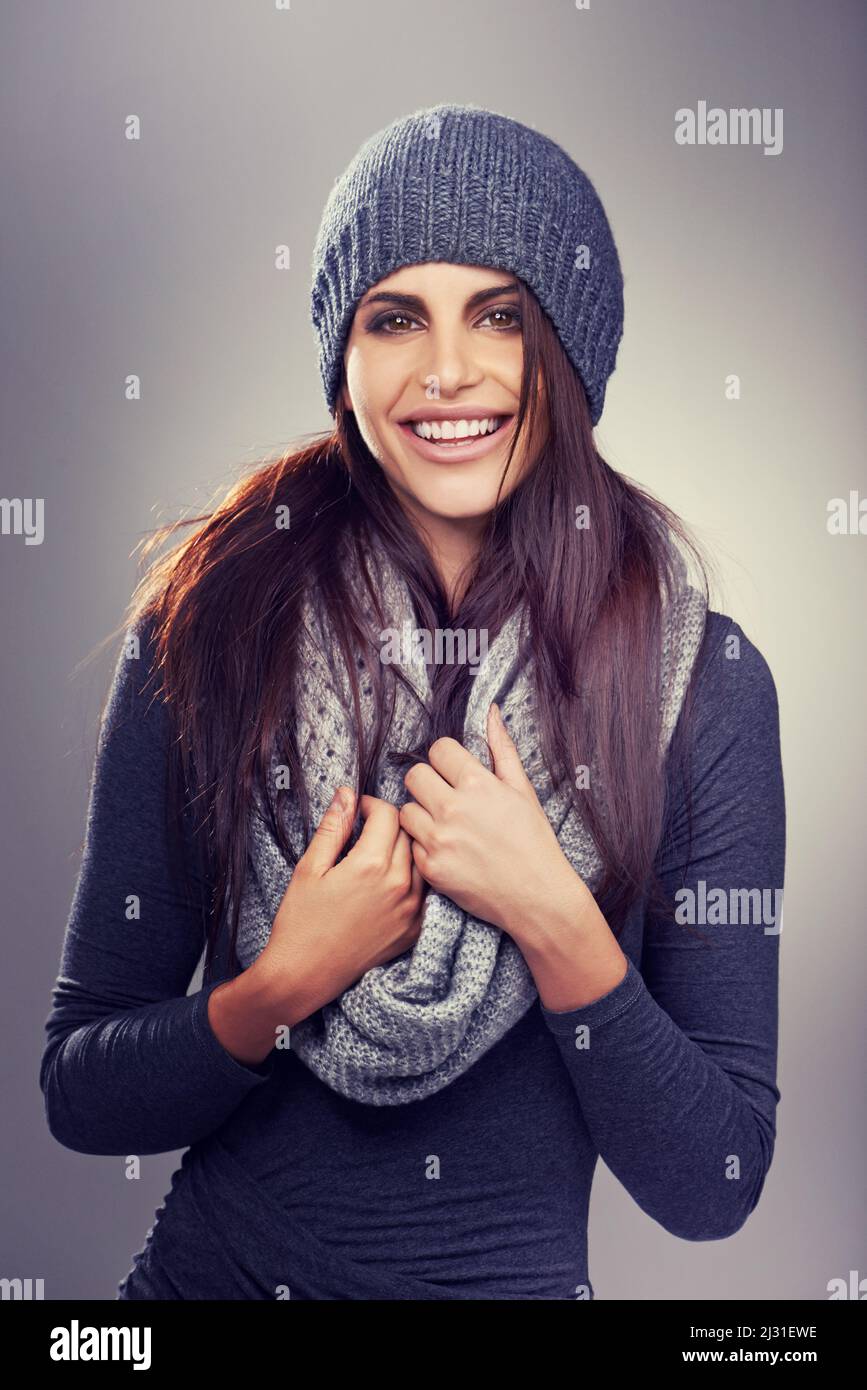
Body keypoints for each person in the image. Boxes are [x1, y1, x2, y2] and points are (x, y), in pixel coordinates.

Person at [39, 102, 785, 1300]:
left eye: (500, 314)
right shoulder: (213, 624)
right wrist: (281, 985)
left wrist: (556, 919)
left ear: (571, 345)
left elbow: (717, 1180)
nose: (447, 371)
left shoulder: (697, 680)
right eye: (396, 318)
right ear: (344, 355)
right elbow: (79, 1086)